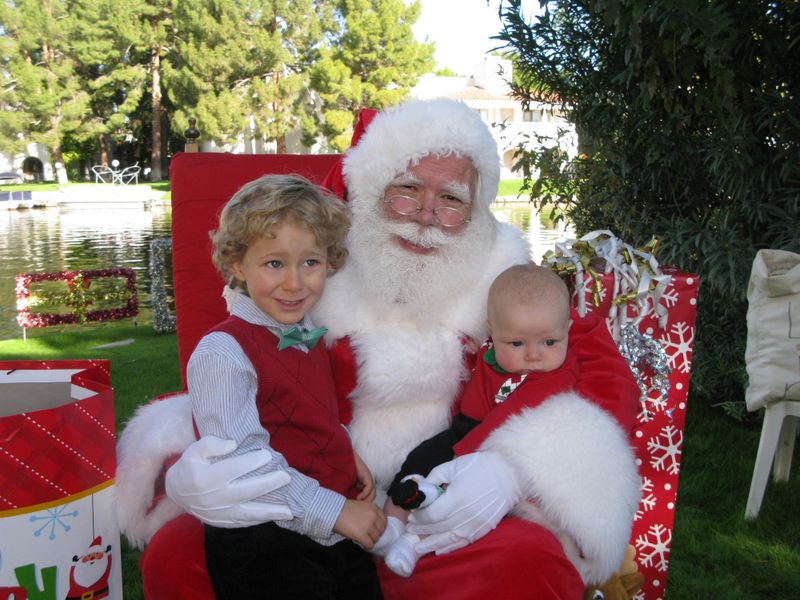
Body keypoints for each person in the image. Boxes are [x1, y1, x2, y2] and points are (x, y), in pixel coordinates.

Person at [116, 98, 642, 599]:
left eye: (453, 199)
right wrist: (201, 470)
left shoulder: (503, 279)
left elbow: (594, 372)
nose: (427, 214)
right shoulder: (304, 272)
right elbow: (236, 383)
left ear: (477, 212)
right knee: (175, 555)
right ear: (372, 187)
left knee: (530, 562)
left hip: (433, 514)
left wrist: (510, 470)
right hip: (301, 503)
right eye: (407, 189)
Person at [187, 174, 385, 599]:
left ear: (329, 261)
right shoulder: (222, 353)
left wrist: (343, 449)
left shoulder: (305, 331)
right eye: (274, 263)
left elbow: (307, 412)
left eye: (310, 262)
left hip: (329, 530)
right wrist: (336, 511)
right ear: (238, 264)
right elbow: (242, 466)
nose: (295, 283)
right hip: (264, 543)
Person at [374, 264, 579, 577]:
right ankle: (392, 526)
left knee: (461, 500)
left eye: (550, 342)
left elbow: (505, 421)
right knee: (418, 461)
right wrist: (480, 350)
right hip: (464, 431)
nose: (534, 355)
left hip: (497, 448)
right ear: (492, 333)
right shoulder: (493, 350)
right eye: (517, 343)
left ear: (567, 328)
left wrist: (464, 453)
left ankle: (416, 543)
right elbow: (486, 372)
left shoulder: (556, 378)